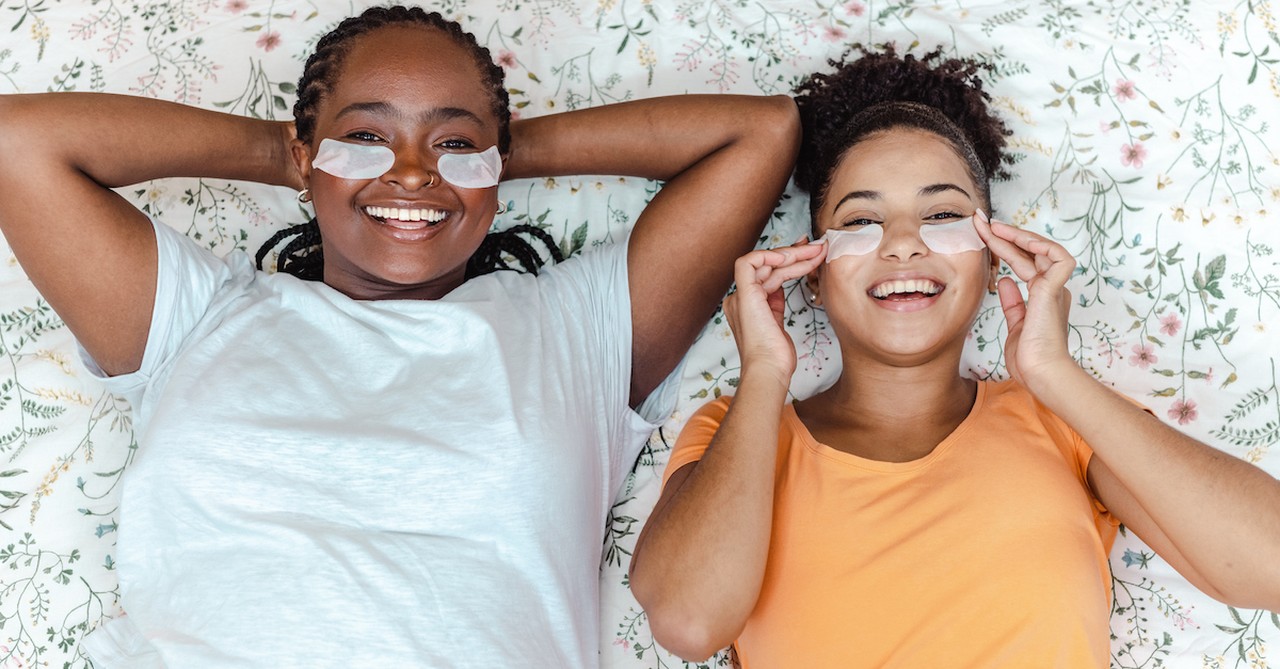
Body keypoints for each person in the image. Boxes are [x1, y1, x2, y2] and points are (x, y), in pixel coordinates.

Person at [0, 6, 799, 667]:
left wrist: (489, 157)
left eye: (452, 142)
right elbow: (18, 141)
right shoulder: (194, 315)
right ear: (308, 153)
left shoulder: (574, 329)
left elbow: (758, 132)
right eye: (368, 137)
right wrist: (296, 156)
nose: (413, 174)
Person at [628, 46, 1280, 667]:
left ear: (995, 253)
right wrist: (764, 374)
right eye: (860, 222)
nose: (904, 244)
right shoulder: (736, 433)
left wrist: (1057, 375)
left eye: (941, 213)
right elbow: (688, 621)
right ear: (813, 273)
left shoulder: (1063, 422)